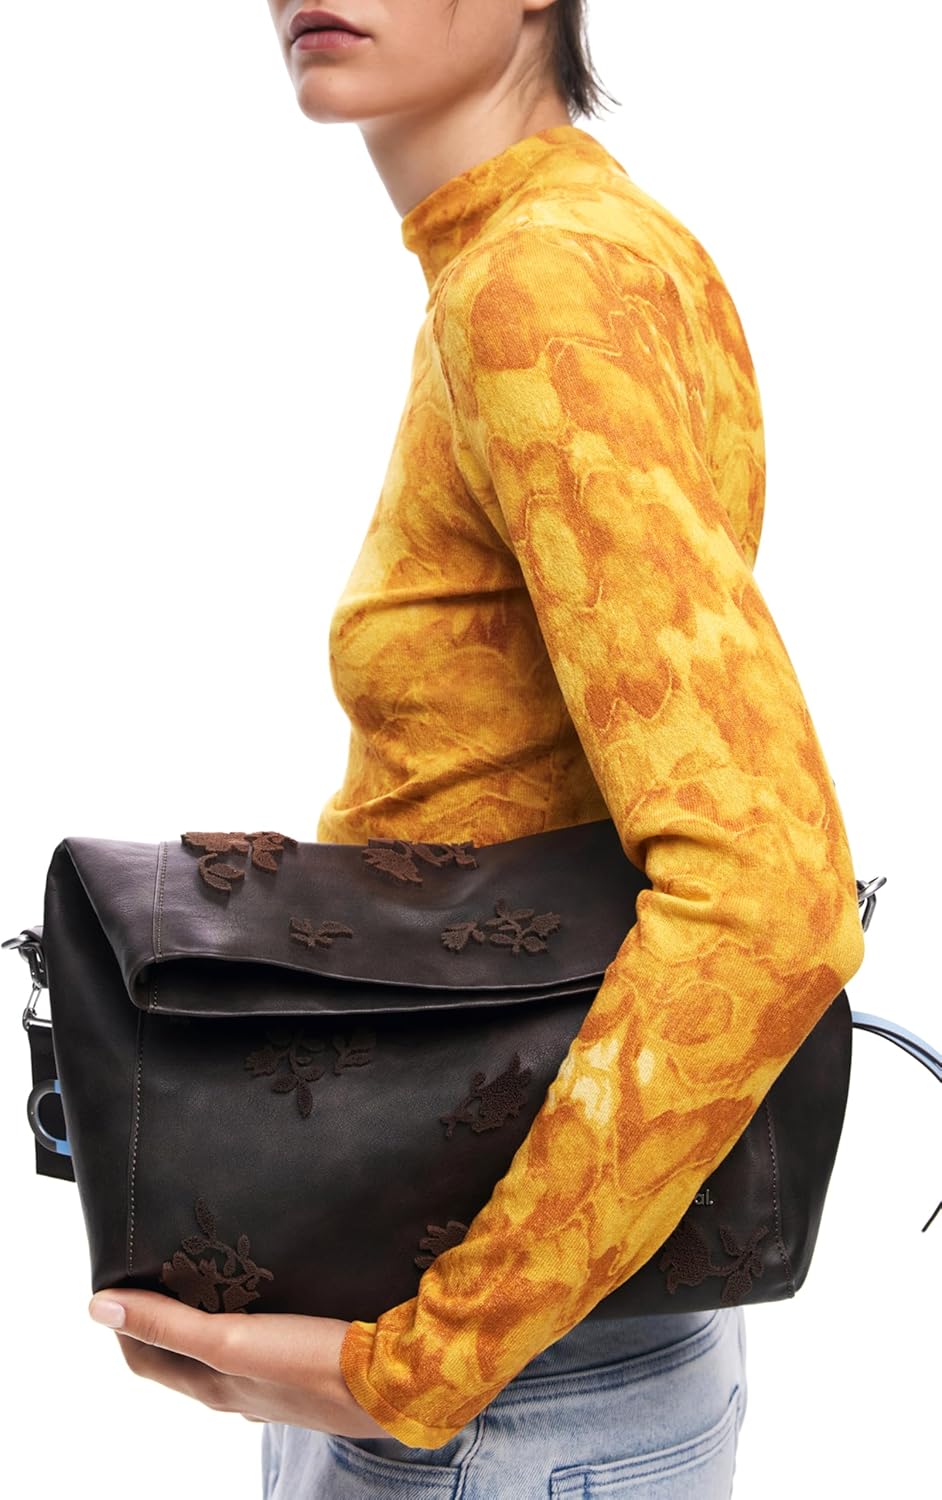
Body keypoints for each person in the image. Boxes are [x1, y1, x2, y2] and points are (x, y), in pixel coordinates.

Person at [256, 2, 865, 1495]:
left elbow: (771, 897)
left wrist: (419, 1365)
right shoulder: (586, 241)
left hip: (503, 1392)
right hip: (552, 1336)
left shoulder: (541, 279)